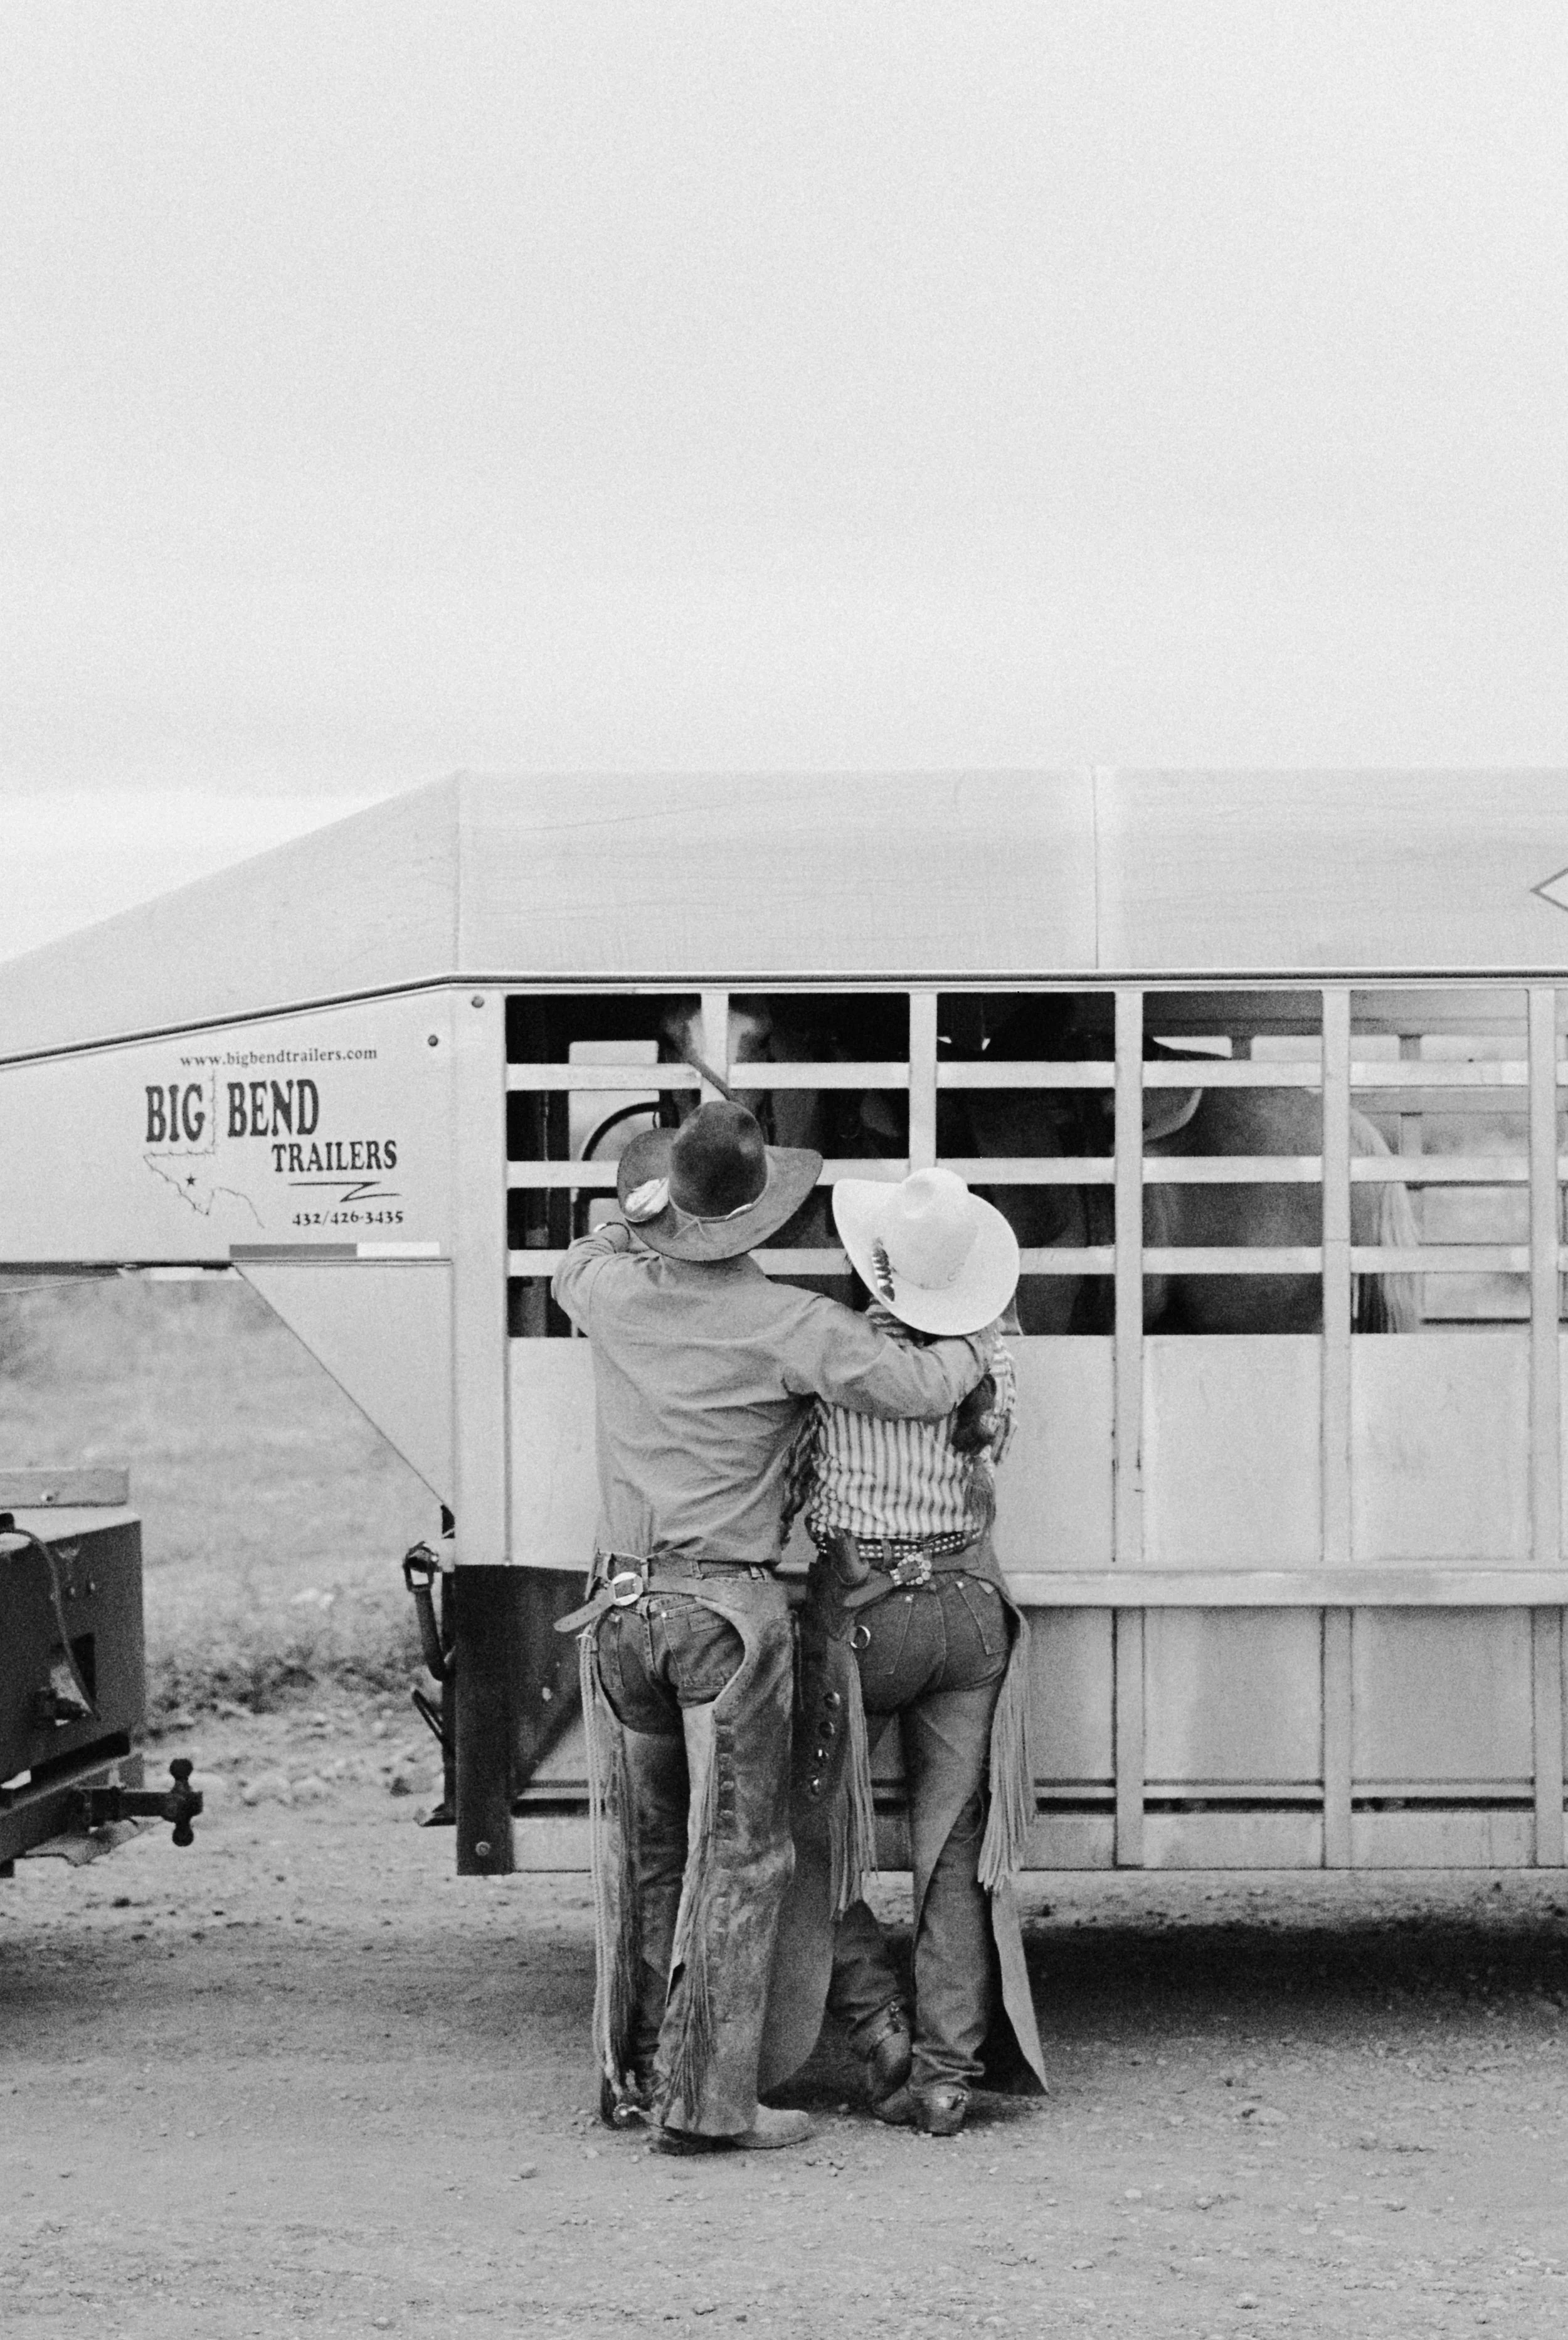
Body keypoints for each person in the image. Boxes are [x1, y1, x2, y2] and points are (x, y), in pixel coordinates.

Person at [551, 1102, 997, 2156]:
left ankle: (639, 2073)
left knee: (650, 1850)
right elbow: (921, 1382)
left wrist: (649, 1215)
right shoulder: (791, 1324)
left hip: (621, 1611)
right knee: (745, 1858)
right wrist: (979, 1343)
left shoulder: (607, 1292)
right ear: (761, 1218)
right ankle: (711, 2104)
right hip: (724, 1619)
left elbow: (588, 1246)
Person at [776, 1167, 1048, 2137]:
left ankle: (875, 2022)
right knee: (957, 1847)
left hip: (865, 1613)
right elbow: (992, 1444)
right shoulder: (994, 1355)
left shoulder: (834, 1353)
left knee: (813, 1826)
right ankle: (945, 2073)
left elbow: (795, 1481)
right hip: (971, 1608)